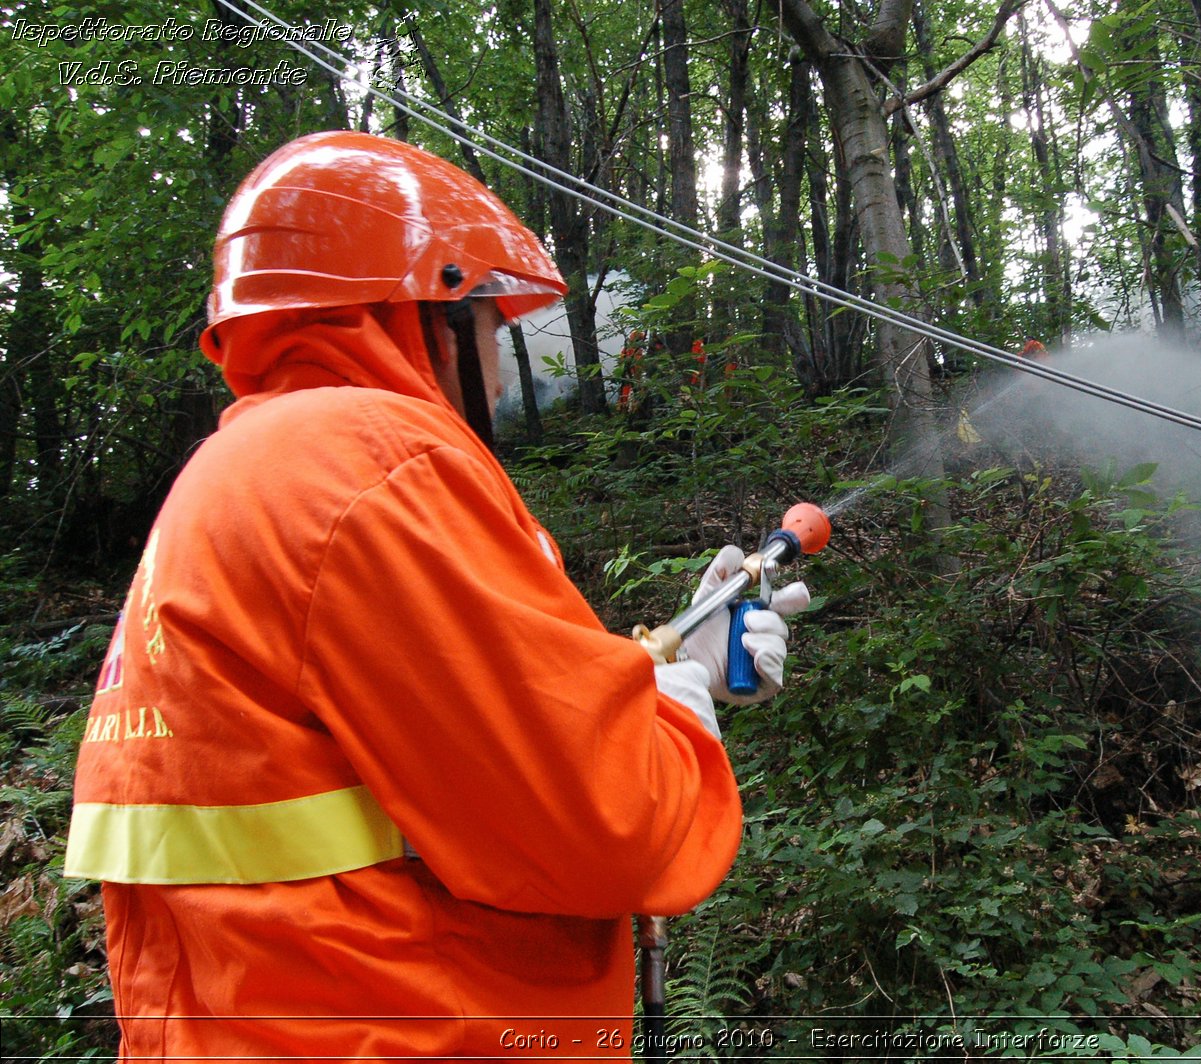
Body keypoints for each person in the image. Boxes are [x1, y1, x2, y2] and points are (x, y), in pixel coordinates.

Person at [64, 130, 807, 1060]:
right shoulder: (374, 465)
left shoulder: (237, 477)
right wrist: (684, 705)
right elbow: (607, 827)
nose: (504, 368)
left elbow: (438, 755)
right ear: (429, 312)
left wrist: (648, 681)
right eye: (496, 331)